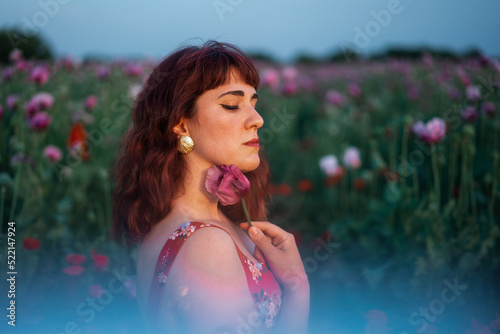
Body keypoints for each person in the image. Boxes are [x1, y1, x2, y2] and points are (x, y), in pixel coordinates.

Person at [112, 41, 310, 333]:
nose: (257, 120)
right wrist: (297, 289)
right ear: (181, 124)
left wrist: (295, 286)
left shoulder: (186, 226)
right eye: (232, 105)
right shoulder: (206, 245)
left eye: (253, 104)